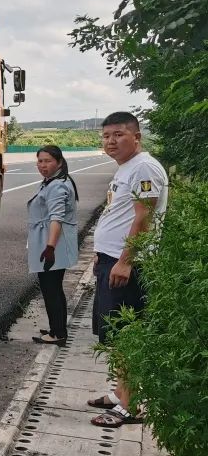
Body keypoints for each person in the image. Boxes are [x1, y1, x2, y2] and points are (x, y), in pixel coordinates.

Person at [88, 112, 169, 428]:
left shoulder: (144, 167)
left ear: (137, 137)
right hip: (112, 259)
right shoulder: (128, 168)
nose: (110, 141)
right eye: (106, 135)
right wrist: (102, 254)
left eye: (118, 134)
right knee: (115, 334)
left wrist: (125, 261)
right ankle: (120, 392)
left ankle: (132, 405)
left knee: (127, 336)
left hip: (127, 265)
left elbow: (143, 219)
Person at [27, 145, 79, 345]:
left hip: (52, 245)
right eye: (40, 161)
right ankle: (56, 328)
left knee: (51, 289)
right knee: (53, 288)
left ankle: (58, 334)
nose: (42, 165)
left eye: (47, 161)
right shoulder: (54, 181)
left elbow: (56, 218)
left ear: (59, 162)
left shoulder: (57, 185)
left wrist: (49, 248)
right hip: (51, 243)